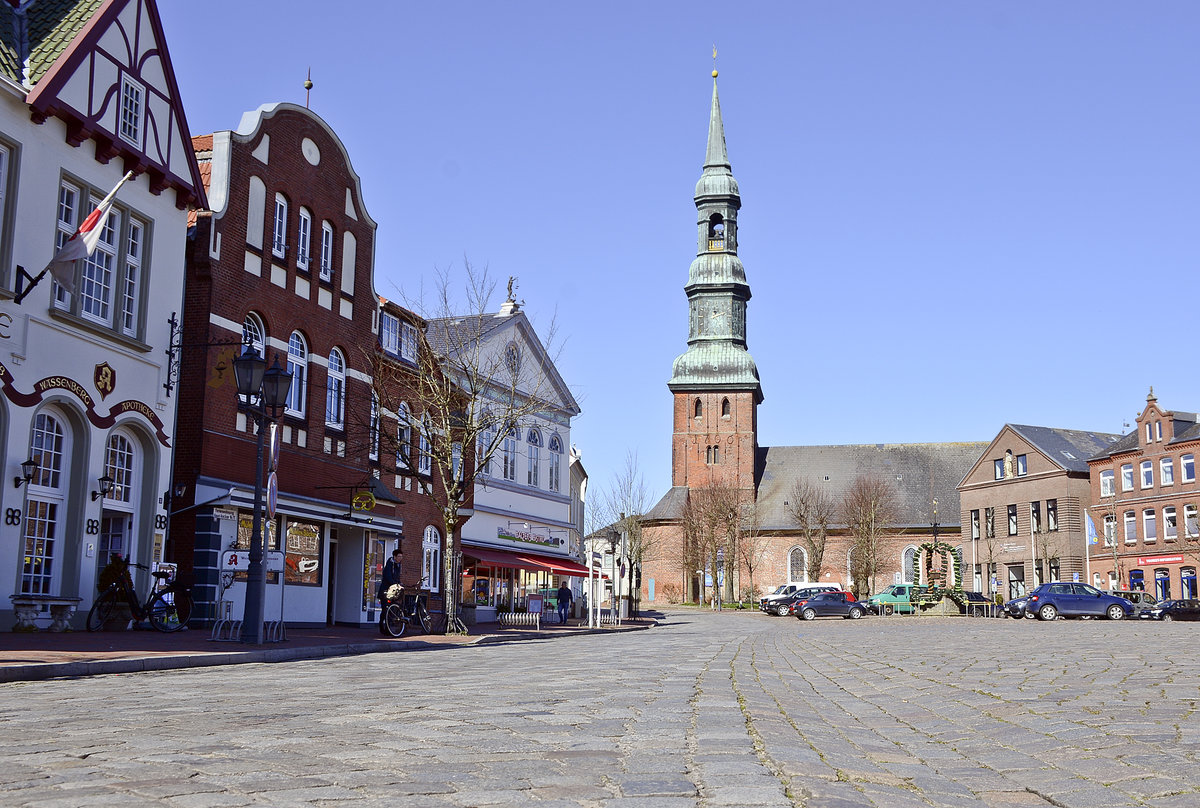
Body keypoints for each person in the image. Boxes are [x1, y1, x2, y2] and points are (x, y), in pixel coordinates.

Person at [377, 548, 403, 633]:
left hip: (393, 591)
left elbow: (397, 577)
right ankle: (381, 625)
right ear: (394, 556)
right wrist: (394, 584)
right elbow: (388, 577)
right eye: (399, 556)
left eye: (401, 557)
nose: (400, 558)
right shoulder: (389, 564)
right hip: (385, 591)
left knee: (391, 610)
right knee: (385, 610)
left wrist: (399, 583)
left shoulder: (398, 565)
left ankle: (388, 628)